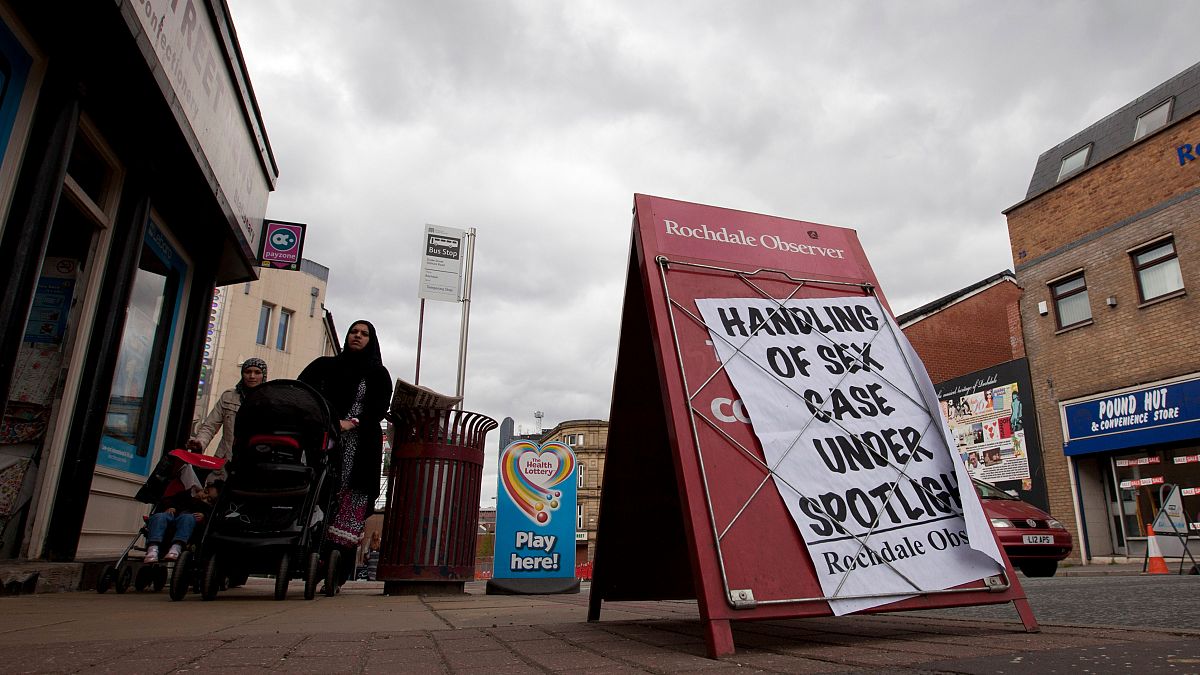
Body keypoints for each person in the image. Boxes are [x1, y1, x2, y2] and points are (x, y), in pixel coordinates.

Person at [299, 321, 392, 589]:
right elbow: (303, 392)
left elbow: (378, 406)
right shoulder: (325, 366)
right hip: (324, 441)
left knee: (351, 502)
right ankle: (311, 559)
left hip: (360, 444)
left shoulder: (377, 373)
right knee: (321, 496)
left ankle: (334, 568)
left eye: (364, 334)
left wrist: (352, 422)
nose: (358, 337)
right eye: (354, 332)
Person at [187, 358, 268, 480]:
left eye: (257, 372)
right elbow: (210, 426)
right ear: (242, 374)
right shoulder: (229, 396)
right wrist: (200, 442)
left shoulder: (269, 400)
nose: (252, 376)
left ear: (264, 375)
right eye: (248, 371)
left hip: (253, 465)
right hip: (224, 464)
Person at [144, 483, 219, 563]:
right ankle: (153, 548)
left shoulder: (207, 509)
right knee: (159, 516)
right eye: (205, 492)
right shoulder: (185, 495)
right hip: (169, 519)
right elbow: (168, 501)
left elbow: (210, 520)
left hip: (185, 527)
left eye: (209, 499)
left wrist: (204, 516)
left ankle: (176, 547)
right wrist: (170, 507)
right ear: (201, 489)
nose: (204, 497)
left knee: (187, 517)